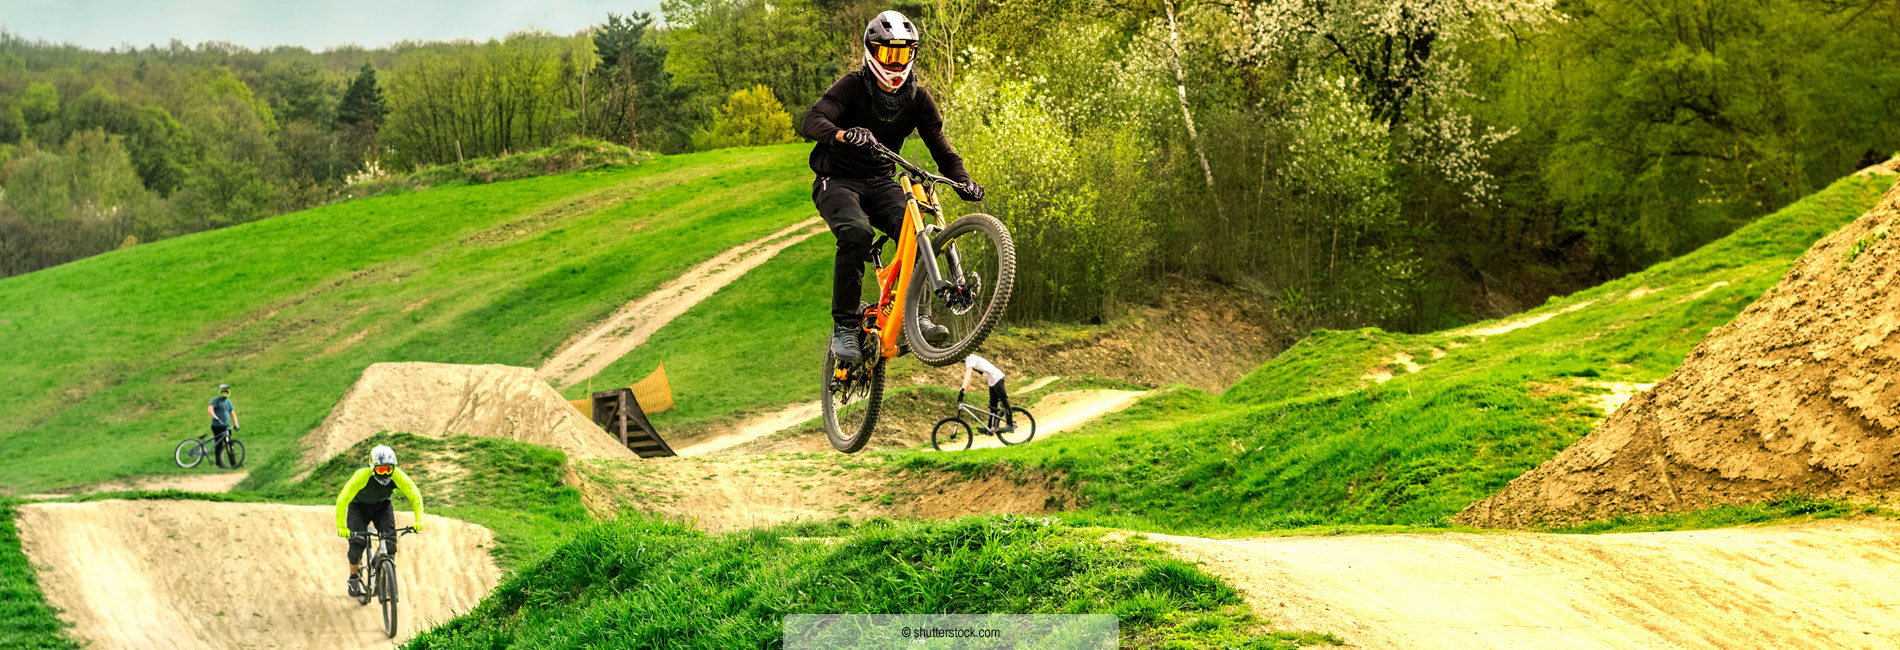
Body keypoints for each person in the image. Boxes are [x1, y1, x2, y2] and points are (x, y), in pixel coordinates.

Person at [804, 9, 985, 364]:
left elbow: (943, 151)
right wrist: (842, 134)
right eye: (889, 53)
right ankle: (844, 327)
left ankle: (919, 316)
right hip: (836, 180)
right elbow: (813, 120)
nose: (896, 63)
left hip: (880, 181)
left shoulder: (919, 100)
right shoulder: (852, 86)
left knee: (918, 233)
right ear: (872, 52)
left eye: (903, 53)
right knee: (855, 232)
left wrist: (963, 182)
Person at [334, 445, 424, 598]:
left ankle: (388, 576)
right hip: (358, 508)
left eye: (388, 469)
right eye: (381, 470)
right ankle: (354, 577)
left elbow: (415, 496)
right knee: (357, 544)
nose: (385, 474)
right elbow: (342, 500)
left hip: (382, 507)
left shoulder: (397, 476)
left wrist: (419, 519)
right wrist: (341, 527)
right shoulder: (361, 475)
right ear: (372, 466)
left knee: (390, 542)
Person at [959, 353, 1014, 433]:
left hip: (997, 378)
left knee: (1004, 400)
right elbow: (970, 378)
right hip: (992, 381)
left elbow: (968, 375)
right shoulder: (969, 361)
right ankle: (990, 428)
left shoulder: (969, 358)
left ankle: (1010, 425)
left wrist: (963, 388)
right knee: (993, 405)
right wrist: (963, 392)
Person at [205, 384, 239, 468]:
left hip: (226, 426)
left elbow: (232, 414)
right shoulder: (215, 400)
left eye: (225, 392)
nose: (224, 393)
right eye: (223, 392)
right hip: (217, 426)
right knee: (219, 444)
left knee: (230, 444)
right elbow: (210, 409)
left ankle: (234, 464)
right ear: (220, 392)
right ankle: (219, 463)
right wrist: (215, 417)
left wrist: (236, 424)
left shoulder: (228, 402)